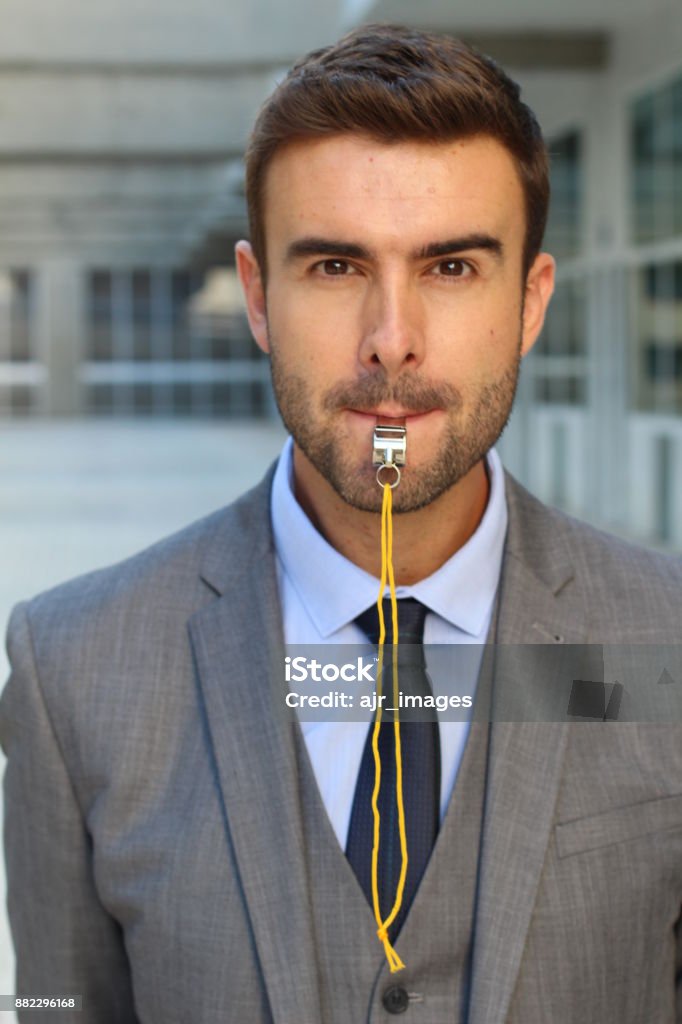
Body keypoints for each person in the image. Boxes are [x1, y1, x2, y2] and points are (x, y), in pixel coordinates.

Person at [2, 23, 682, 1024]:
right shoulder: (72, 670)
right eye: (333, 267)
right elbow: (58, 1007)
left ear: (531, 303)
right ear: (258, 297)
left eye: (451, 267)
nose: (391, 341)